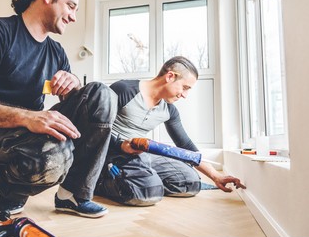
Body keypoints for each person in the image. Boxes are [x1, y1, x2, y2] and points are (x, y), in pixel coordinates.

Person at [0, 0, 117, 218]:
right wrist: (29, 117)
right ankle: (5, 187)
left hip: (28, 135)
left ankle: (72, 194)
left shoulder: (56, 52)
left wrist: (74, 85)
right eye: (70, 6)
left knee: (102, 95)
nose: (74, 17)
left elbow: (81, 111)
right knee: (54, 153)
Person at [95, 56, 246, 206]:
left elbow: (186, 146)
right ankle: (103, 182)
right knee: (147, 193)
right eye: (185, 88)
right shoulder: (124, 90)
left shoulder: (169, 111)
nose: (185, 95)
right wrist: (120, 145)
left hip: (141, 154)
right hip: (112, 153)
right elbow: (96, 130)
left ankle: (143, 179)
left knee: (190, 182)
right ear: (170, 76)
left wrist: (216, 176)